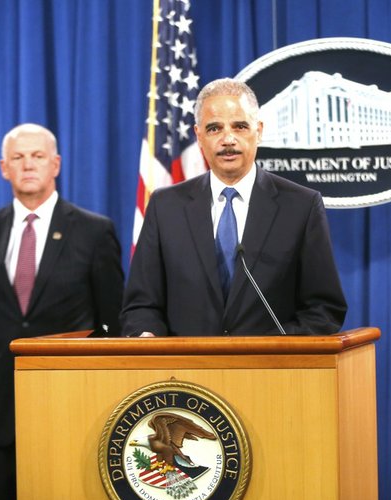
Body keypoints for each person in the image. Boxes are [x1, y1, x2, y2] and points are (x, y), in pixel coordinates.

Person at [0, 123, 124, 500]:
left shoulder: (93, 231)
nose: (27, 164)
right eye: (17, 157)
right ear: (3, 168)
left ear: (56, 164)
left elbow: (112, 320)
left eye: (37, 156)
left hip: (70, 405)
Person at [121, 78, 346, 336]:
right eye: (215, 128)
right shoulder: (165, 207)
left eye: (239, 126)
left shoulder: (301, 206)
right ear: (199, 136)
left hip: (270, 371)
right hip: (184, 371)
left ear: (259, 131)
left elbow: (324, 310)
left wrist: (267, 350)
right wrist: (147, 337)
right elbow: (140, 306)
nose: (228, 139)